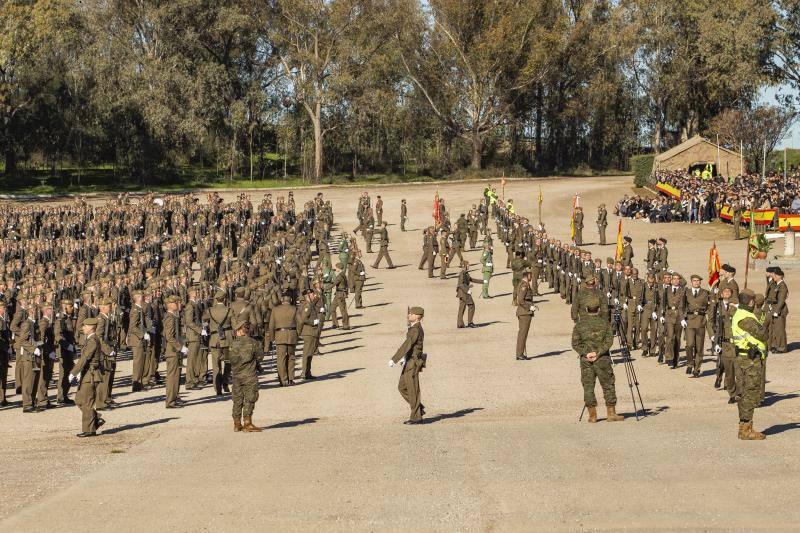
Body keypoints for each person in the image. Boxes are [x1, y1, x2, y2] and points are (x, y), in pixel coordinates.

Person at [571, 301, 624, 423]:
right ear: (599, 310)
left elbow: (575, 344)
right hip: (602, 359)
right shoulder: (605, 324)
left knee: (588, 386)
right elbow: (609, 341)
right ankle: (611, 414)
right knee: (608, 385)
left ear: (586, 309)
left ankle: (592, 415)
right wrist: (598, 353)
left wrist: (586, 353)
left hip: (586, 360)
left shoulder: (579, 325)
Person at [731, 289, 768, 440]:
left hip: (745, 357)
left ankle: (745, 426)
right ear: (750, 302)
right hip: (749, 360)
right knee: (750, 393)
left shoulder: (741, 313)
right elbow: (762, 334)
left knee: (746, 392)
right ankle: (745, 429)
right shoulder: (745, 317)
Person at [388, 306, 426, 425]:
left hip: (413, 362)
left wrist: (395, 359)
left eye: (411, 314)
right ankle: (418, 408)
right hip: (409, 360)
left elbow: (407, 344)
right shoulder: (414, 328)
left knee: (413, 389)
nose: (408, 315)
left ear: (417, 316)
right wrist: (404, 358)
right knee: (402, 387)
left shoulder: (415, 329)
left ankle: (416, 417)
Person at [69, 317, 105, 437]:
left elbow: (85, 358)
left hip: (91, 375)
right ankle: (96, 419)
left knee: (87, 402)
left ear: (91, 327)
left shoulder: (92, 341)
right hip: (87, 374)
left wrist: (73, 372)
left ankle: (89, 430)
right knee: (79, 400)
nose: (83, 328)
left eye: (85, 326)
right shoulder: (90, 339)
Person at [229, 316, 265, 432]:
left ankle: (237, 423)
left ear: (239, 330)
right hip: (249, 375)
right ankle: (248, 423)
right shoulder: (254, 343)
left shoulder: (232, 344)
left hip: (236, 376)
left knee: (237, 399)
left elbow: (229, 359)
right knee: (250, 398)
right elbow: (260, 357)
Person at [268, 293, 299, 386]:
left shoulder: (275, 310)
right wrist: (298, 333)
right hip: (291, 334)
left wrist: (272, 338)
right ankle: (291, 379)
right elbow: (299, 322)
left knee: (281, 359)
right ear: (290, 300)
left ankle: (283, 380)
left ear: (282, 300)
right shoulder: (294, 309)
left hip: (279, 335)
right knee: (291, 357)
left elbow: (271, 325)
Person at [162, 295, 187, 408]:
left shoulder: (174, 316)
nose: (179, 304)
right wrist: (179, 347)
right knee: (172, 377)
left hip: (175, 351)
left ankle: (175, 397)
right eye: (177, 303)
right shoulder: (170, 318)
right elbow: (169, 337)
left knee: (177, 376)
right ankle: (170, 401)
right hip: (172, 352)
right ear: (171, 305)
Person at [684, 274, 711, 378]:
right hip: (690, 321)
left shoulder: (705, 293)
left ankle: (697, 368)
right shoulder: (686, 292)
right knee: (689, 344)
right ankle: (690, 363)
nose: (696, 282)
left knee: (699, 347)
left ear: (700, 282)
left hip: (700, 321)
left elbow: (710, 306)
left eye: (698, 281)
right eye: (694, 281)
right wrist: (682, 318)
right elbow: (683, 306)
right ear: (691, 282)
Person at [298, 290, 321, 380]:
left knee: (310, 353)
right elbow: (303, 319)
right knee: (307, 354)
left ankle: (308, 372)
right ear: (307, 295)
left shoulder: (310, 304)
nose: (313, 295)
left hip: (311, 332)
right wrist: (313, 322)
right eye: (311, 294)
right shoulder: (307, 305)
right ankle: (304, 373)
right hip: (309, 332)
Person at [516, 272, 536, 360]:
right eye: (530, 276)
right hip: (525, 312)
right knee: (523, 334)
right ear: (527, 276)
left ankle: (520, 353)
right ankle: (520, 354)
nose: (531, 277)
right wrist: (529, 307)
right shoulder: (524, 285)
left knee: (523, 334)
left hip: (524, 312)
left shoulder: (523, 284)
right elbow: (520, 299)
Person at [456, 260, 482, 328]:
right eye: (468, 265)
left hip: (461, 293)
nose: (469, 266)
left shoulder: (465, 273)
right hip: (464, 293)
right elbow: (460, 284)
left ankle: (460, 324)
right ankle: (470, 322)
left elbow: (471, 279)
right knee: (471, 306)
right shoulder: (463, 274)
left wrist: (483, 281)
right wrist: (467, 291)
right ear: (464, 266)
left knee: (462, 308)